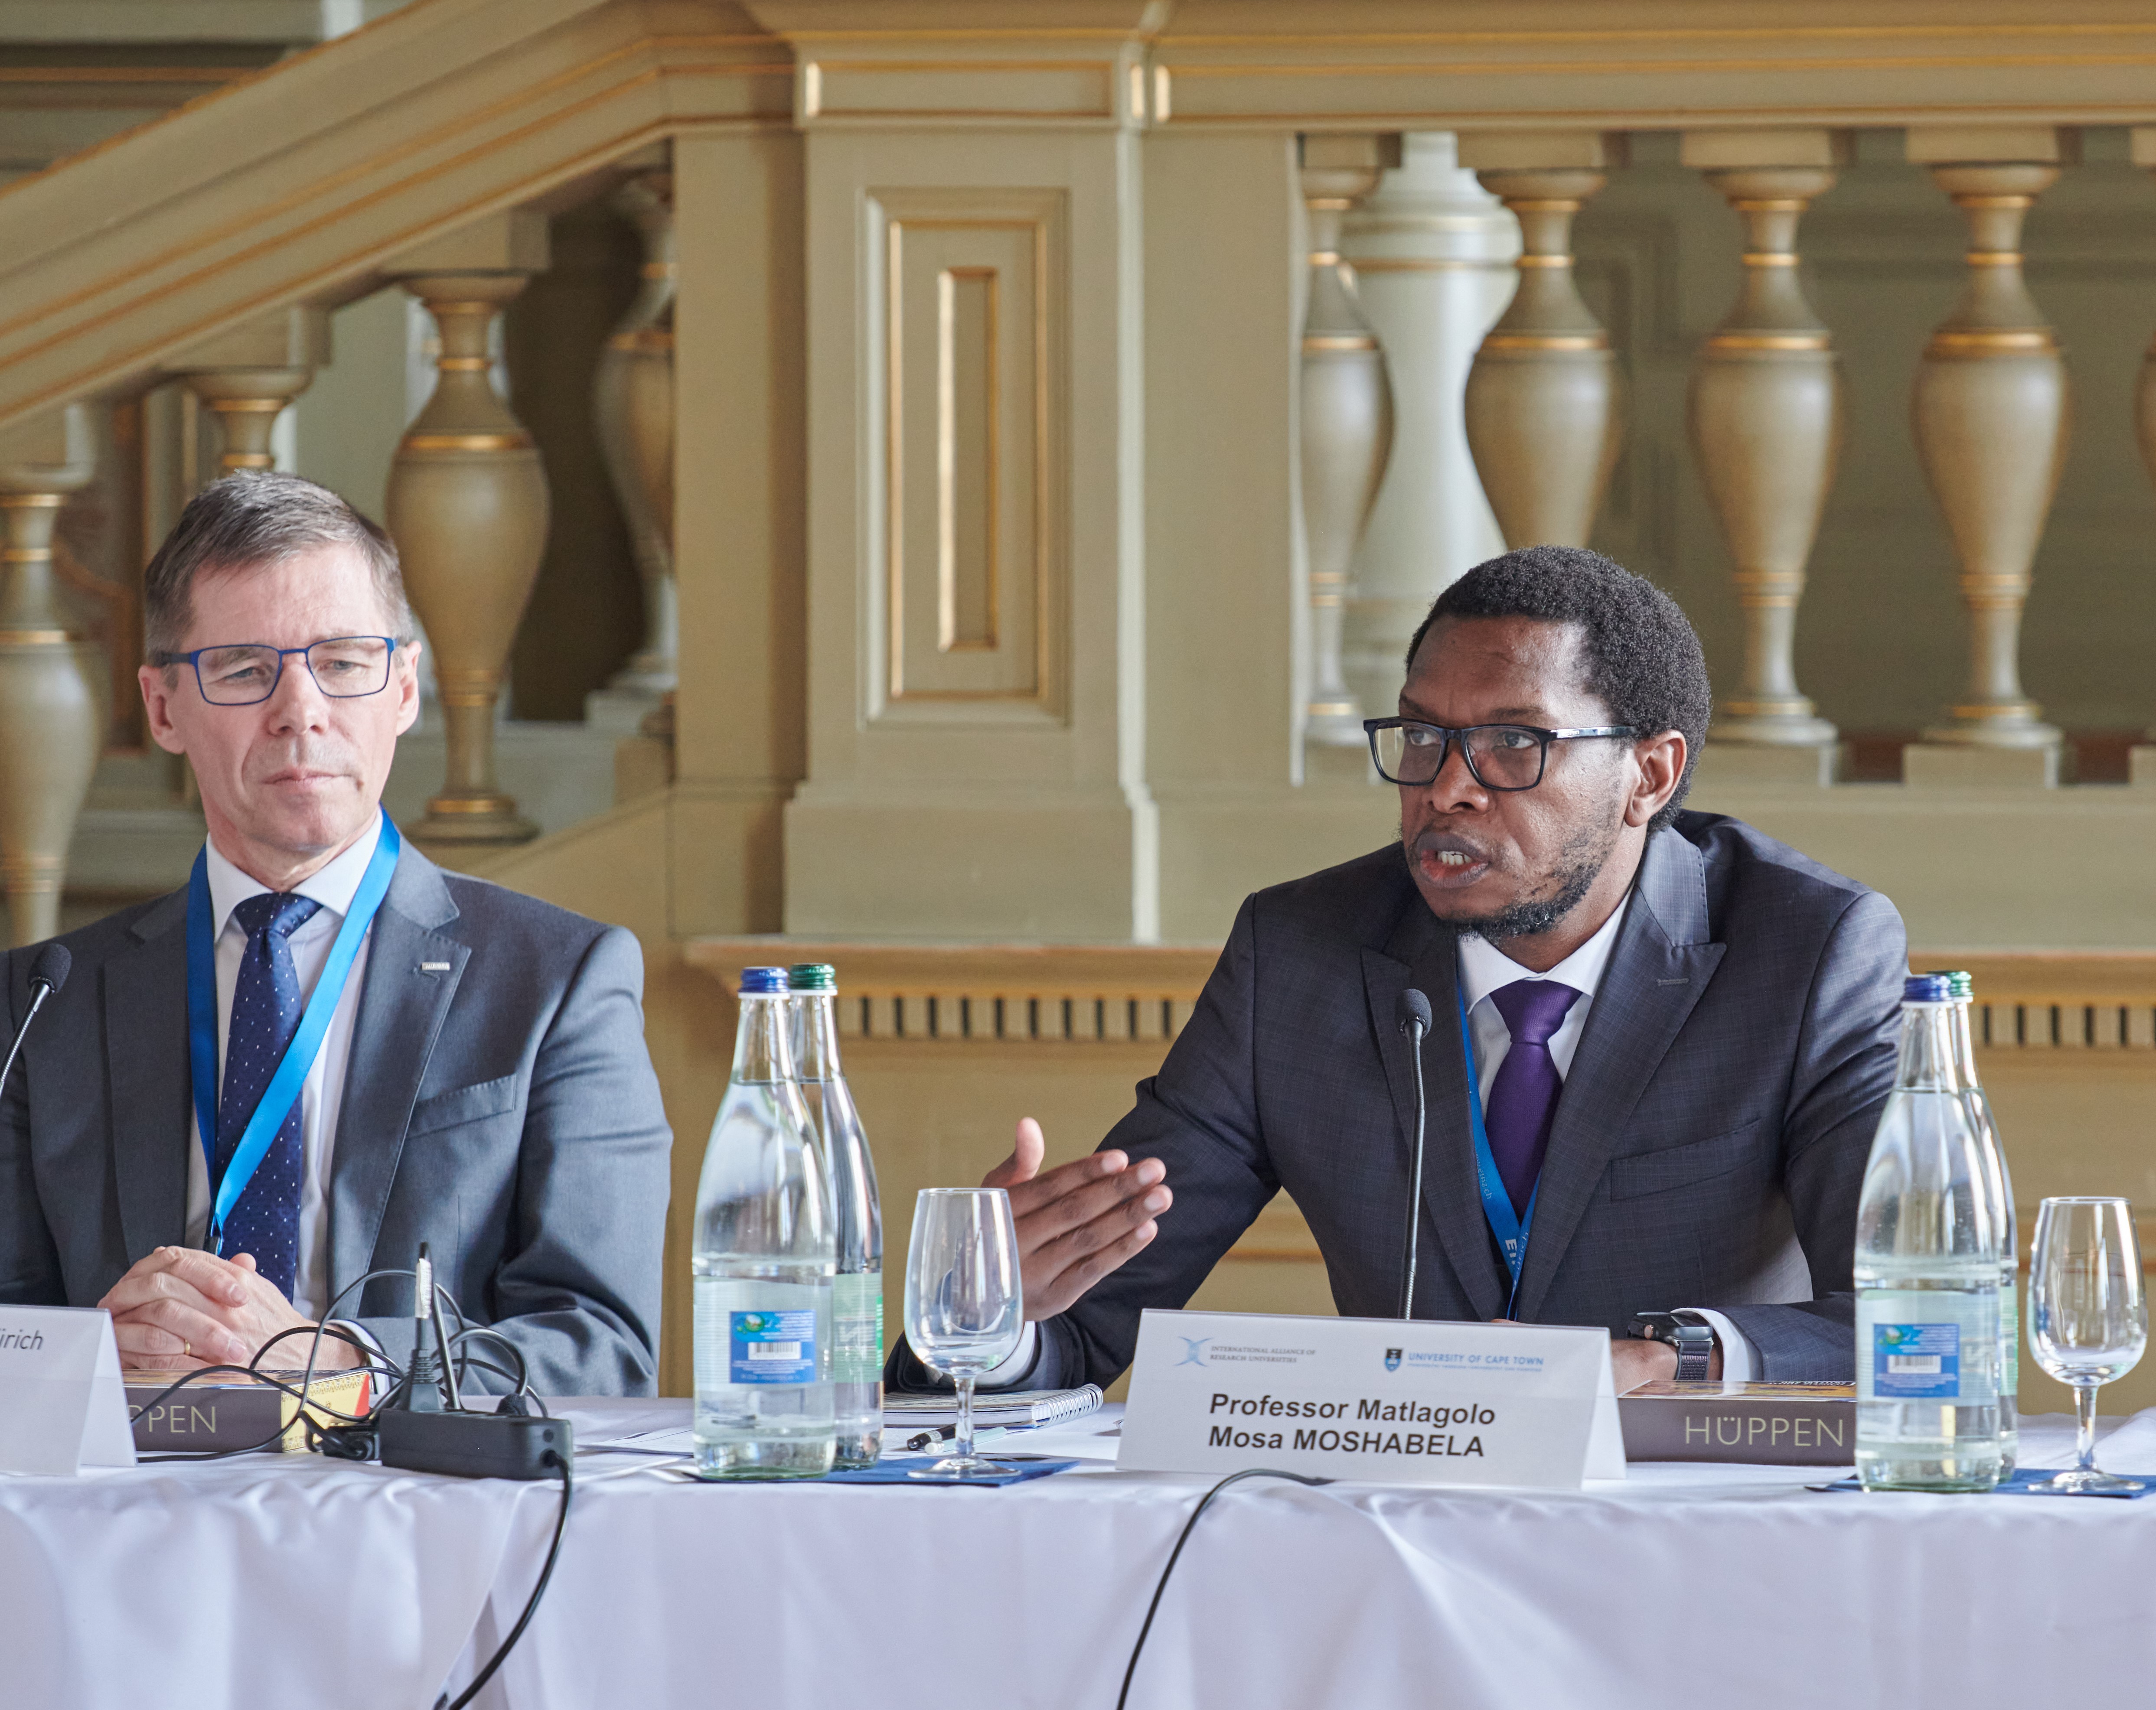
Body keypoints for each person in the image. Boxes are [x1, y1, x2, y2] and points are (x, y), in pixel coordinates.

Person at [901, 544, 1907, 1394]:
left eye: (1513, 743)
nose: (1447, 788)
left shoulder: (1809, 953)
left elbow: (1923, 1321)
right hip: (1391, 1532)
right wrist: (996, 1315)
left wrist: (1668, 1356)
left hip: (1688, 1533)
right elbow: (1081, 1333)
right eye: (1424, 736)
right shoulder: (1301, 956)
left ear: (1650, 774)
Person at [0, 470, 669, 1396]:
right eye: (243, 669)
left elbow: (604, 1349)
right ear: (162, 709)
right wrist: (77, 1366)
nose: (301, 710)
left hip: (423, 1515)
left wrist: (343, 1363)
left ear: (404, 688)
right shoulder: (43, 1001)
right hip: (125, 1514)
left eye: (345, 662)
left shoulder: (559, 981)